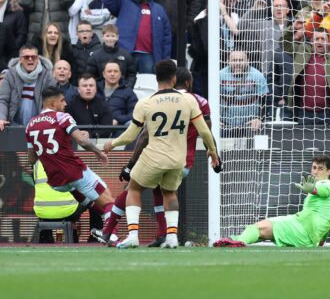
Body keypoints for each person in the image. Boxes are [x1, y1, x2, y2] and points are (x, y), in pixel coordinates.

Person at [103, 60, 220, 249]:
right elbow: (205, 131)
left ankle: (133, 235)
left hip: (153, 157)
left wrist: (112, 143)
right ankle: (172, 237)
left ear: (157, 79)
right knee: (169, 193)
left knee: (133, 189)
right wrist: (213, 153)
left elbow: (132, 135)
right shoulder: (189, 100)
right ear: (174, 79)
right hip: (178, 160)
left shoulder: (146, 103)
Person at [25, 86, 114, 235]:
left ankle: (102, 225)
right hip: (73, 172)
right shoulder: (63, 117)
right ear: (53, 104)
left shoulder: (30, 125)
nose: (65, 104)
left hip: (55, 182)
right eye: (62, 100)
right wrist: (98, 152)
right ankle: (111, 234)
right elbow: (83, 142)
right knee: (109, 200)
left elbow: (32, 159)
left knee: (87, 197)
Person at [214, 154, 330, 248]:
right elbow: (326, 223)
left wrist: (313, 189)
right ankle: (236, 241)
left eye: (320, 169)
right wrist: (320, 244)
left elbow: (322, 190)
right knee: (262, 231)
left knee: (259, 228)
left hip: (301, 230)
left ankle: (237, 241)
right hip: (304, 231)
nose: (315, 171)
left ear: (329, 171)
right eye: (314, 167)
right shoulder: (328, 203)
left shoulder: (326, 184)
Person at [102, 0, 172, 73]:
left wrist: (165, 60)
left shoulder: (158, 9)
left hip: (149, 56)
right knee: (125, 85)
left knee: (147, 86)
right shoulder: (124, 2)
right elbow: (106, 1)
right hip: (125, 54)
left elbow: (167, 37)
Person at [0, 45, 56, 130]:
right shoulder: (10, 74)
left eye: (33, 57)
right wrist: (1, 118)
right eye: (26, 57)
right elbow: (3, 100)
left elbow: (53, 101)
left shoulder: (47, 76)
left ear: (38, 59)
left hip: (39, 126)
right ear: (20, 59)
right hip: (14, 125)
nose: (30, 59)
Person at [220, 50, 269, 133]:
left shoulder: (258, 76)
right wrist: (214, 118)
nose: (238, 63)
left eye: (241, 60)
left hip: (250, 123)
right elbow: (212, 99)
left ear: (247, 61)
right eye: (234, 60)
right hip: (225, 123)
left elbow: (265, 100)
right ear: (228, 61)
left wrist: (259, 118)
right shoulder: (220, 75)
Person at [66, 74, 113, 138]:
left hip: (97, 142)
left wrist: (90, 134)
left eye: (91, 86)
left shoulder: (103, 105)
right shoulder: (70, 105)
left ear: (96, 89)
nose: (88, 88)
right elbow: (66, 127)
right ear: (78, 89)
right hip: (74, 141)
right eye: (85, 86)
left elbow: (107, 129)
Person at [98, 61, 138, 126]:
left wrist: (117, 120)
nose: (112, 74)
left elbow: (135, 114)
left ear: (120, 74)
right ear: (103, 74)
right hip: (96, 128)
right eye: (109, 71)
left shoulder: (128, 92)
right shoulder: (95, 90)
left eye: (116, 71)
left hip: (119, 129)